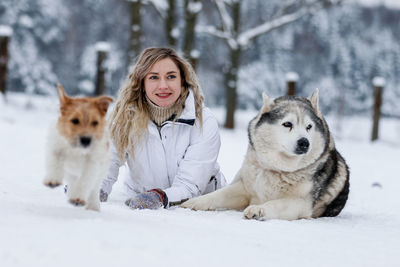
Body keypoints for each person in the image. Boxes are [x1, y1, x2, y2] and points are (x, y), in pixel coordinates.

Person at [100, 47, 226, 209]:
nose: (163, 85)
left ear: (182, 80)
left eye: (171, 76)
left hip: (202, 209)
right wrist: (93, 187)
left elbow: (190, 185)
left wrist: (159, 196)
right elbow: (108, 160)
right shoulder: (124, 117)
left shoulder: (203, 120)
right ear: (142, 82)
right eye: (153, 77)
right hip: (140, 208)